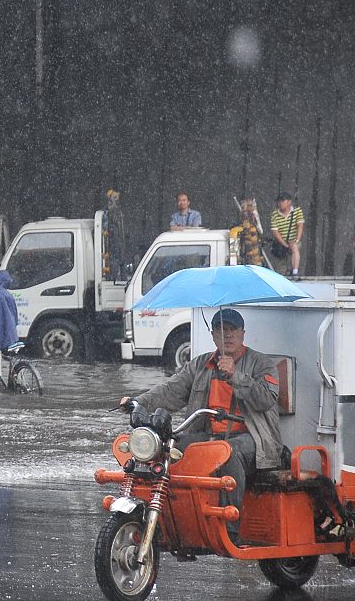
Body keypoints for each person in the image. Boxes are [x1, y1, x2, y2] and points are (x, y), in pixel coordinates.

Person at [120, 308, 282, 545]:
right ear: (213, 335)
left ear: (243, 333)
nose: (227, 335)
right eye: (220, 330)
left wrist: (236, 376)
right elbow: (170, 391)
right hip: (208, 436)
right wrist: (138, 402)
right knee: (165, 448)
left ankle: (230, 531)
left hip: (252, 440)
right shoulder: (200, 364)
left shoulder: (262, 363)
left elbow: (266, 399)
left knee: (229, 454)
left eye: (232, 330)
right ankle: (165, 520)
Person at [269, 193, 305, 277]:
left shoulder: (297, 211)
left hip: (294, 239)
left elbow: (300, 226)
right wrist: (284, 244)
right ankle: (282, 275)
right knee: (280, 265)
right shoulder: (274, 214)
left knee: (295, 248)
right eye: (279, 201)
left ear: (289, 202)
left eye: (283, 201)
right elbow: (275, 232)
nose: (280, 203)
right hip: (281, 242)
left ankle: (295, 272)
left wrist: (296, 240)